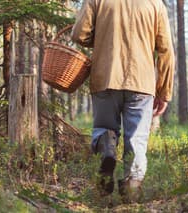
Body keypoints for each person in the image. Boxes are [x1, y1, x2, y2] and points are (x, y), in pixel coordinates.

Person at [71, 0, 174, 200]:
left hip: (105, 77)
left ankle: (107, 149)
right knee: (136, 139)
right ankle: (131, 188)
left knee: (103, 128)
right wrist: (164, 91)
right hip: (141, 83)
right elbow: (166, 50)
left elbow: (78, 34)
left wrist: (102, 38)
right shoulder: (155, 4)